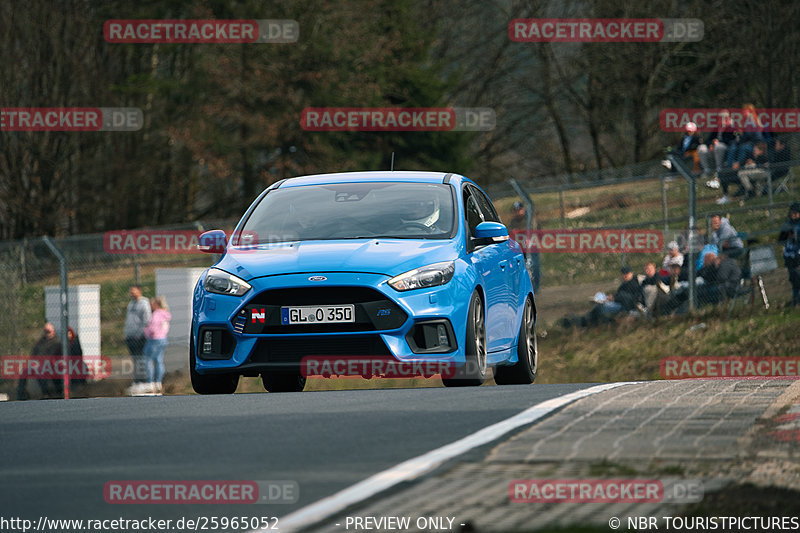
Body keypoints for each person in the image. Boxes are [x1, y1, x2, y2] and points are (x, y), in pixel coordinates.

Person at [16, 323, 62, 400]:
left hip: (49, 366)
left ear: (53, 331)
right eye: (45, 331)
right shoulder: (41, 341)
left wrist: (40, 363)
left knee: (40, 371)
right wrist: (33, 362)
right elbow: (34, 353)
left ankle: (46, 393)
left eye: (49, 331)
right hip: (37, 365)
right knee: (24, 371)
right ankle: (21, 393)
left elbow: (51, 356)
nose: (47, 333)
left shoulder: (56, 342)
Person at [138, 295, 171, 395]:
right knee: (158, 360)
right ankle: (158, 382)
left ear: (156, 304)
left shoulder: (156, 314)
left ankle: (150, 382)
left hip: (154, 339)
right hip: (163, 339)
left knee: (147, 359)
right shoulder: (165, 314)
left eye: (152, 303)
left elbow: (152, 328)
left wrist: (146, 332)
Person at [124, 285, 151, 391]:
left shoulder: (144, 303)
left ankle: (143, 381)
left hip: (139, 337)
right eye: (131, 291)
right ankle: (137, 380)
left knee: (140, 358)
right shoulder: (131, 304)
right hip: (130, 336)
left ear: (139, 291)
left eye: (134, 291)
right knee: (135, 359)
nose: (132, 293)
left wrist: (140, 333)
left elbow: (146, 320)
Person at [778, 202, 800, 307]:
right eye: (792, 213)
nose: (793, 215)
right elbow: (780, 239)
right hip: (790, 255)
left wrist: (796, 237)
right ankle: (795, 301)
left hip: (798, 254)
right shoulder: (787, 224)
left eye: (796, 213)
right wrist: (786, 234)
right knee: (794, 278)